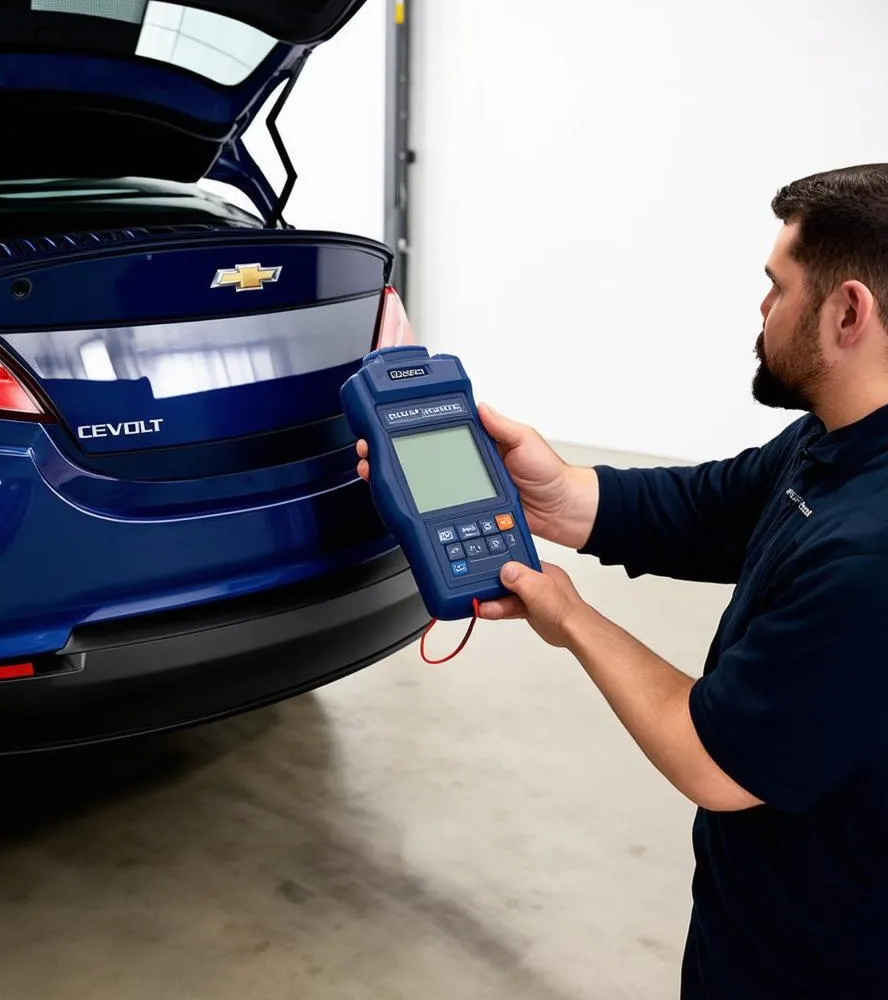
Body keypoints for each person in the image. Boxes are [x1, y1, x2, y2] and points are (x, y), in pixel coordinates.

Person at [357, 163, 888, 998]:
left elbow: (717, 760)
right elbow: (709, 506)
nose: (761, 309)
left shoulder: (869, 558)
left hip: (824, 956)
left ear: (848, 311)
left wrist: (569, 616)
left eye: (776, 285)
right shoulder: (843, 439)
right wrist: (552, 489)